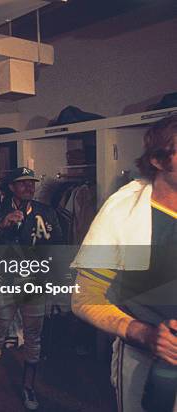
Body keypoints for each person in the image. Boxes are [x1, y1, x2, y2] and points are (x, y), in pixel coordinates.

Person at [71, 115, 176, 412]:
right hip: (145, 359)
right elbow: (84, 298)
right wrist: (144, 333)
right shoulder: (125, 211)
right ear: (157, 160)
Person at [0, 167, 63, 410]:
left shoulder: (46, 212)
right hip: (5, 284)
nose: (29, 187)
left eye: (32, 183)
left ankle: (29, 389)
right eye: (23, 183)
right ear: (11, 187)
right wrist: (1, 225)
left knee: (33, 339)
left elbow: (59, 245)